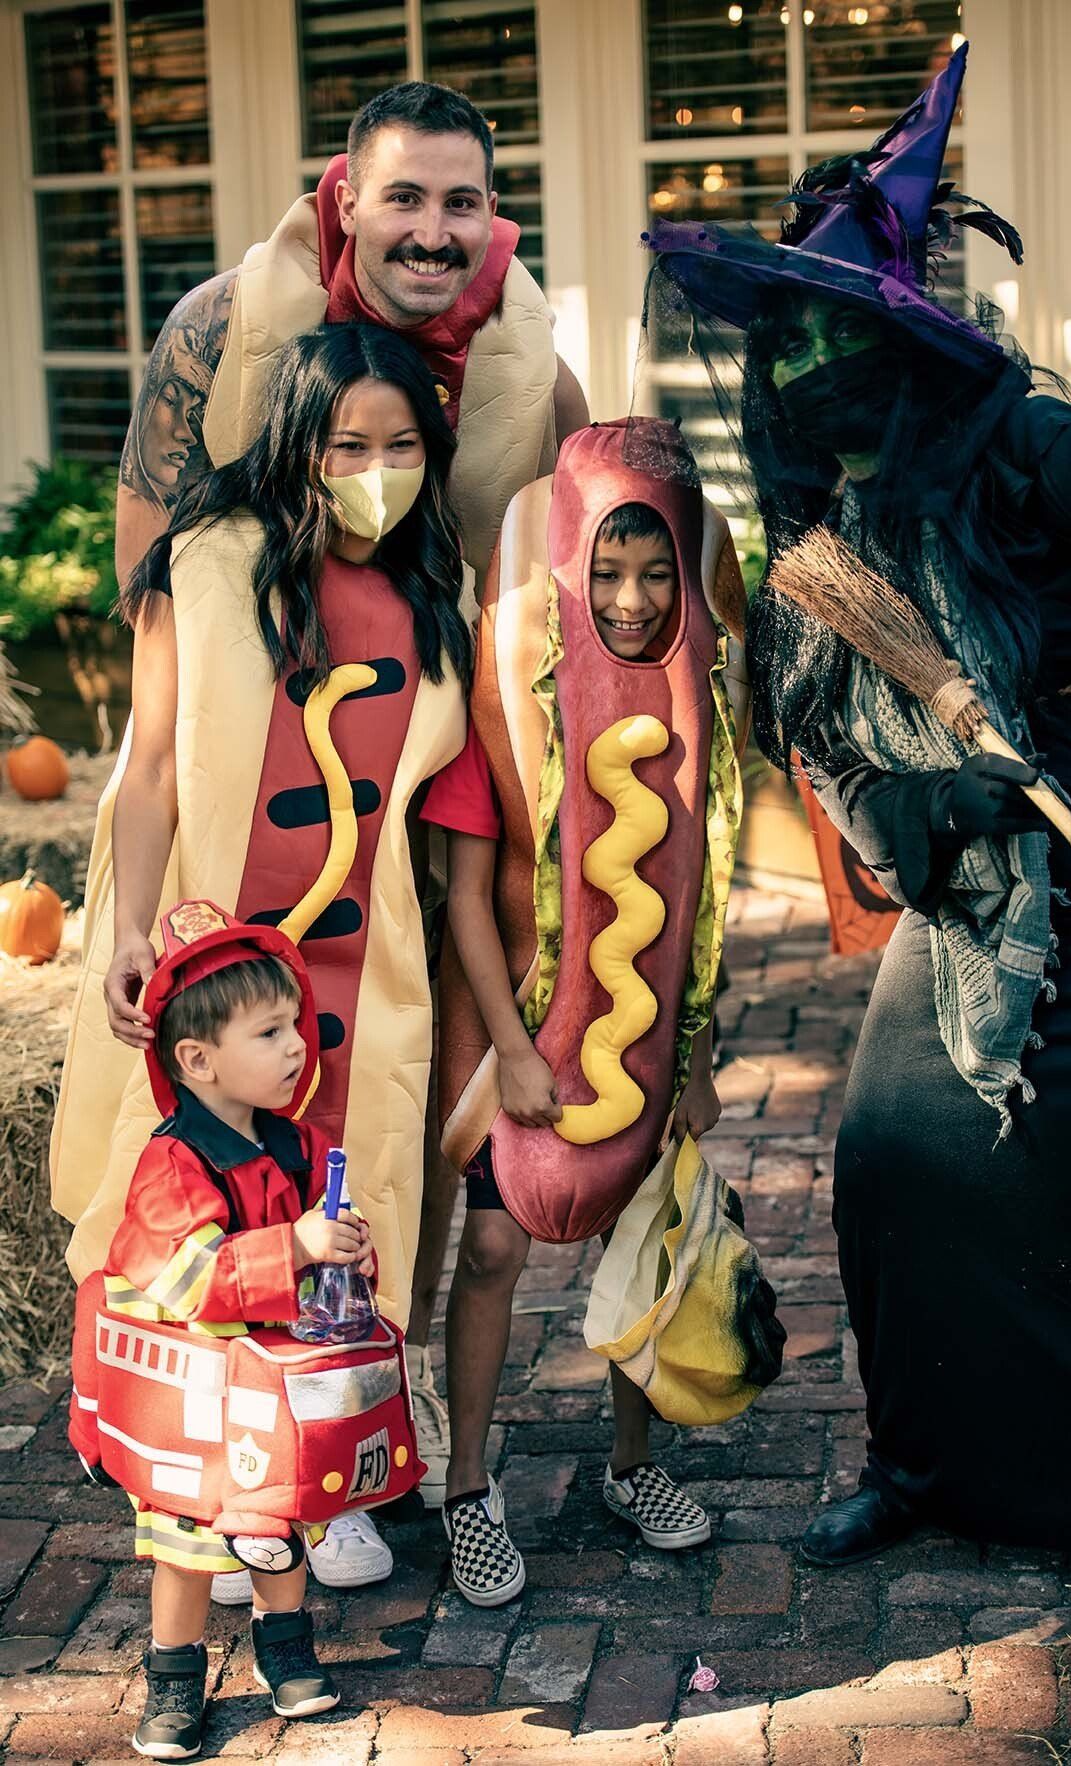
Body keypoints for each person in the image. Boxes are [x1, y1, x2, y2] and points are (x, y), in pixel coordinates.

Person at [644, 42, 1071, 1562]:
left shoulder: (1020, 447)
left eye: (847, 361)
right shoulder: (833, 536)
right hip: (983, 874)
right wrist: (948, 792)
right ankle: (922, 1461)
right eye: (792, 366)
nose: (818, 394)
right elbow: (849, 777)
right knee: (888, 1150)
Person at [109, 78, 591, 1547]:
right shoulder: (221, 332)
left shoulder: (528, 365)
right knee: (224, 1136)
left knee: (388, 1125)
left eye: (462, 204)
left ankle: (373, 1396)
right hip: (246, 800)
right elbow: (161, 593)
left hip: (427, 773)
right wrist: (144, 891)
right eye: (404, 199)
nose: (433, 233)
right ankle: (220, 1410)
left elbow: (567, 585)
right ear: (345, 197)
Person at [51, 322, 470, 1597]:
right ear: (299, 442)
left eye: (402, 446)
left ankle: (322, 1470)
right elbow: (154, 764)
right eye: (350, 443)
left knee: (346, 1211)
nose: (376, 468)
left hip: (363, 984)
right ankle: (205, 1465)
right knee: (202, 1198)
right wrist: (129, 929)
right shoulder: (206, 563)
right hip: (220, 964)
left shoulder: (433, 597)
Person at [421, 419, 753, 1604]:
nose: (629, 597)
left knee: (637, 1233)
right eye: (605, 572)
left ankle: (630, 1459)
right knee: (498, 1242)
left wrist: (701, 1054)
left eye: (656, 569)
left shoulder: (698, 707)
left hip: (648, 1028)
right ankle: (467, 1484)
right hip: (510, 1022)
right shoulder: (506, 693)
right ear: (566, 567)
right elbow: (465, 896)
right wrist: (510, 1052)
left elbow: (699, 893)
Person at [87, 904, 365, 1760]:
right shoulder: (172, 1166)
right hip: (198, 1402)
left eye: (294, 1024)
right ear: (197, 1059)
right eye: (270, 1030)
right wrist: (297, 1247)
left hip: (272, 1392)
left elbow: (333, 1263)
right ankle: (173, 1677)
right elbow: (192, 1280)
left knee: (275, 1524)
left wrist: (348, 1258)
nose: (296, 1045)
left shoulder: (300, 1148)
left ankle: (284, 1653)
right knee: (190, 1544)